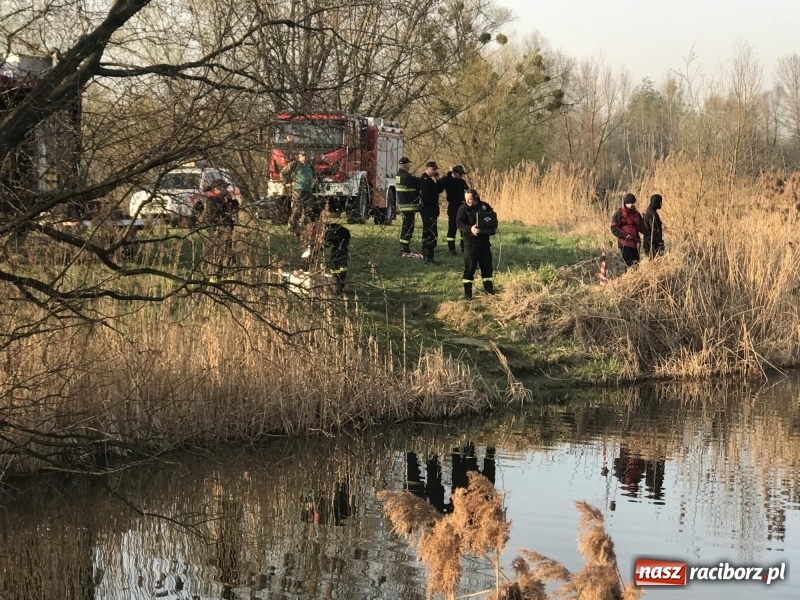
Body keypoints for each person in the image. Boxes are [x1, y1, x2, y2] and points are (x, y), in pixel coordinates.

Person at [456, 188, 497, 299]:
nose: (468, 201)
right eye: (466, 199)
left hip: (484, 242)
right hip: (470, 243)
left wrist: (492, 228)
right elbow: (459, 223)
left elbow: (493, 219)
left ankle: (489, 291)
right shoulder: (463, 208)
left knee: (487, 267)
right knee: (470, 267)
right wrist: (471, 229)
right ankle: (468, 294)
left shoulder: (484, 206)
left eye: (470, 199)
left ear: (475, 197)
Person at [202, 178, 239, 277]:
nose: (226, 190)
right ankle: (216, 277)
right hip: (219, 233)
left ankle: (228, 277)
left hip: (226, 232)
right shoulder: (212, 201)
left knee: (229, 255)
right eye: (223, 187)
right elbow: (211, 218)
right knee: (220, 256)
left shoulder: (221, 199)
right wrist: (219, 229)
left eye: (226, 187)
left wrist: (231, 200)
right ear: (215, 189)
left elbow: (235, 208)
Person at [282, 149, 319, 244]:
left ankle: (304, 231)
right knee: (296, 210)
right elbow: (283, 173)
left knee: (308, 211)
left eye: (305, 155)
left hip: (308, 191)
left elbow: (314, 175)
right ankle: (291, 229)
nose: (304, 157)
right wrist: (287, 184)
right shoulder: (295, 164)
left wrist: (314, 182)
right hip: (297, 190)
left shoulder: (310, 165)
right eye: (302, 155)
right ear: (299, 156)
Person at [440, 164, 469, 255]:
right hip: (453, 206)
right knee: (452, 227)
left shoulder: (462, 181)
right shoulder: (448, 180)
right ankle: (451, 249)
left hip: (462, 206)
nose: (461, 176)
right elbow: (441, 182)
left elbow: (467, 191)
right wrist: (449, 173)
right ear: (455, 173)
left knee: (463, 228)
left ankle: (464, 248)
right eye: (460, 174)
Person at [419, 161, 444, 264]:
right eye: (433, 169)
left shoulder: (430, 180)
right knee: (429, 232)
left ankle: (429, 255)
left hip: (432, 210)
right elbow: (426, 196)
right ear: (427, 168)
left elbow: (439, 189)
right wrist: (433, 202)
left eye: (435, 170)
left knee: (432, 232)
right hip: (428, 209)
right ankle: (427, 256)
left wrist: (438, 180)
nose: (434, 172)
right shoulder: (424, 180)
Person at [610, 192, 644, 268]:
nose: (631, 204)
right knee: (629, 265)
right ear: (625, 203)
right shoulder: (619, 214)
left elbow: (642, 227)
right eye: (629, 203)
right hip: (625, 244)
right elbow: (614, 228)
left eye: (633, 202)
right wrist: (625, 235)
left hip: (635, 244)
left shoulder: (637, 214)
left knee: (636, 265)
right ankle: (628, 278)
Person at [395, 156, 420, 255]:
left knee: (406, 226)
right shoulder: (406, 177)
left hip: (404, 206)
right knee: (408, 227)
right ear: (405, 165)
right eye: (408, 163)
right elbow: (416, 182)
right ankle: (404, 248)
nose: (410, 165)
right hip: (408, 206)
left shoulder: (399, 175)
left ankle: (403, 247)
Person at [642, 193, 665, 259]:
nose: (661, 204)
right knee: (655, 262)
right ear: (656, 202)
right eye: (660, 202)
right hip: (653, 243)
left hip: (648, 242)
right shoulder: (652, 214)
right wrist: (660, 243)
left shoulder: (648, 212)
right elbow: (655, 230)